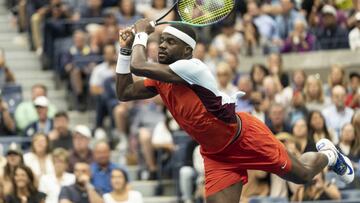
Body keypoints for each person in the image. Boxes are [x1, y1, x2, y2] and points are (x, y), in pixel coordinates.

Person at [115, 19, 354, 202]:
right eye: (162, 40)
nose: (163, 46)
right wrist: (125, 51)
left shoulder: (192, 67)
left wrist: (140, 36)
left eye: (170, 42)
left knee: (302, 175)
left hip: (245, 138)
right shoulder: (159, 78)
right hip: (216, 155)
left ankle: (329, 154)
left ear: (187, 51)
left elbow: (140, 65)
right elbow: (124, 92)